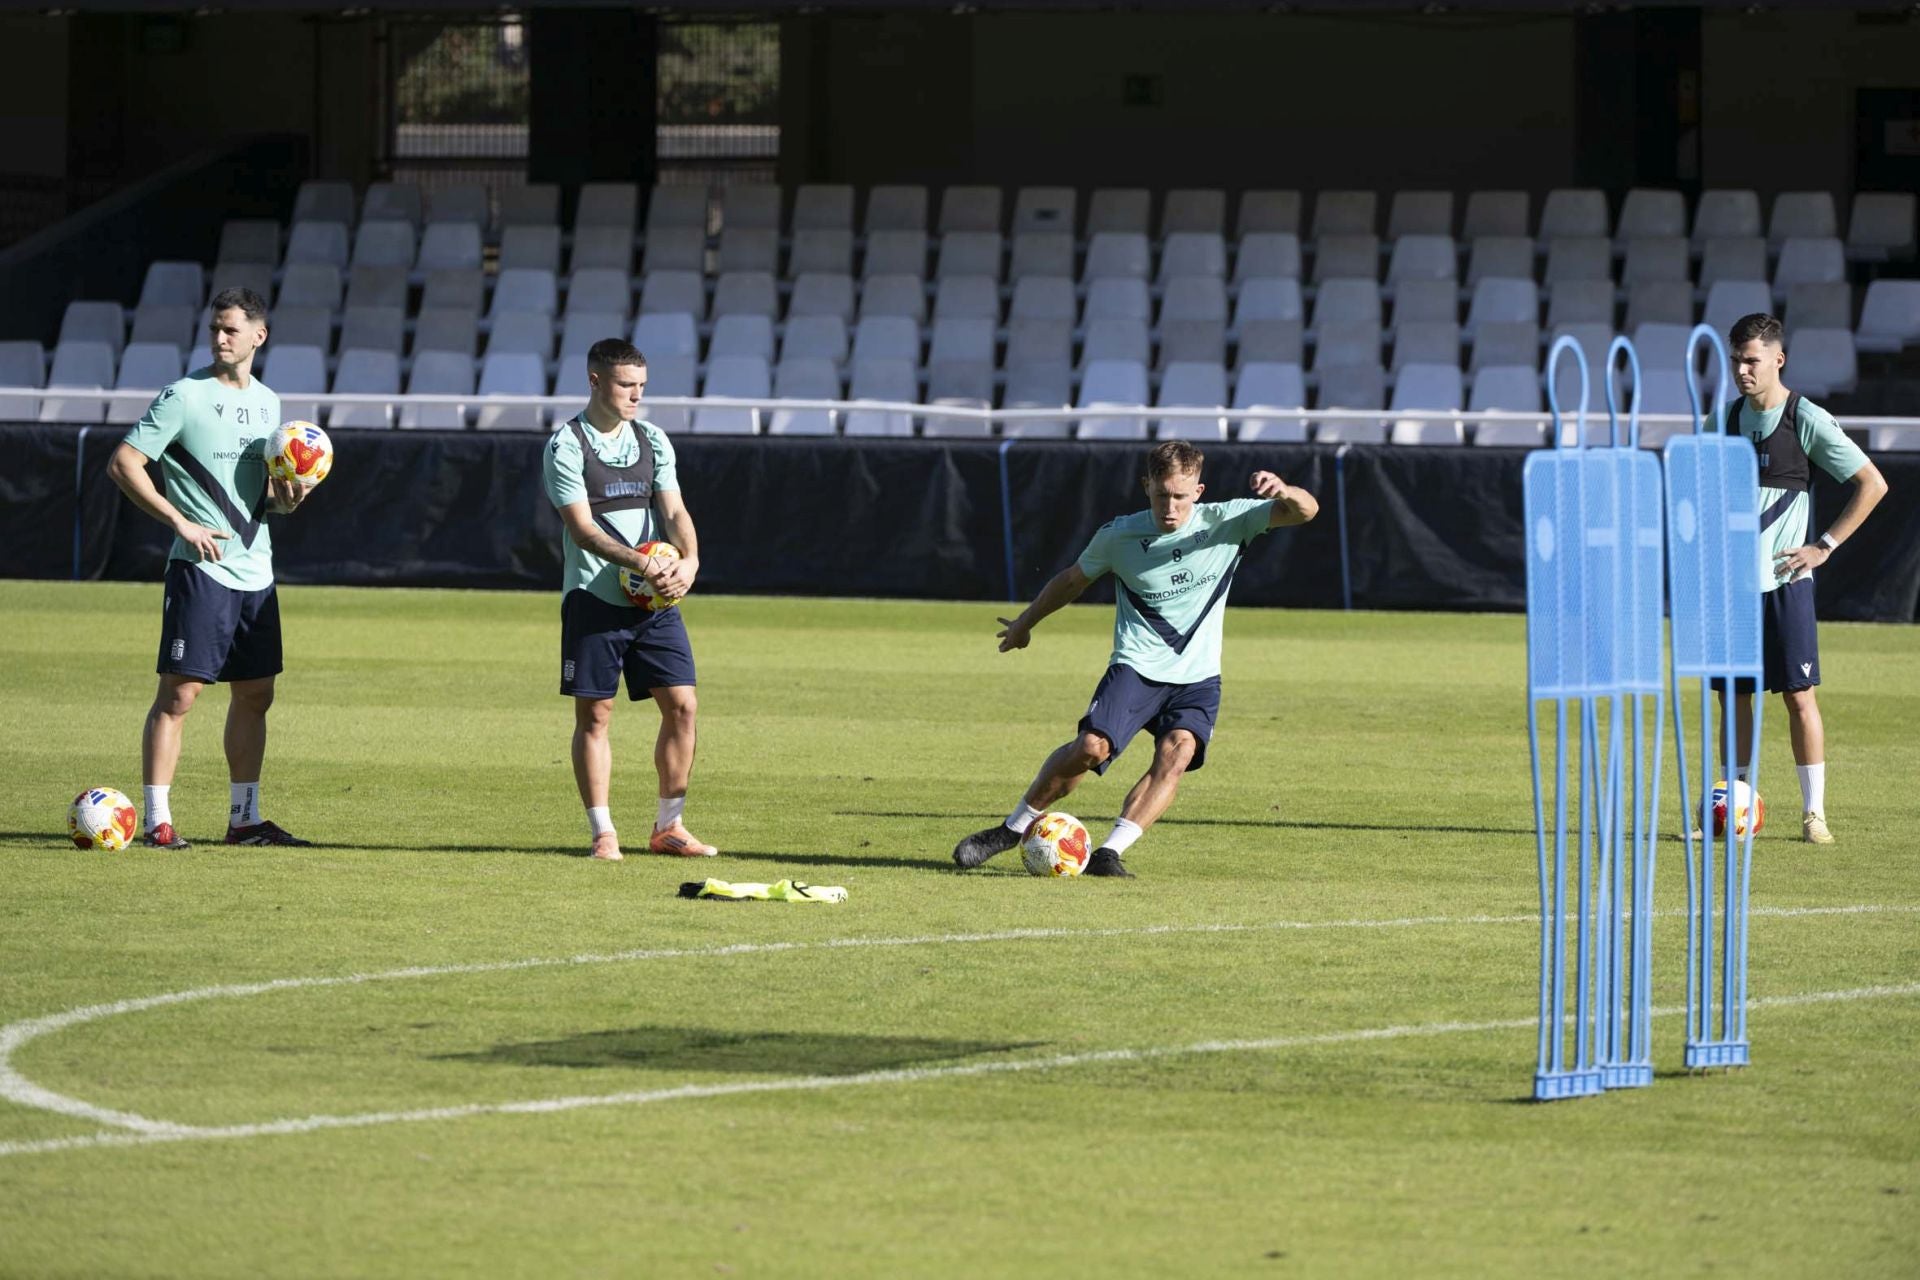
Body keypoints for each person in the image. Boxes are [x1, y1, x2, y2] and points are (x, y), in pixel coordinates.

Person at [951, 440, 1319, 877]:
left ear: (1198, 492)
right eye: (1162, 494)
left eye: (1180, 496)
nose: (1170, 506)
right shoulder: (1119, 535)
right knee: (1091, 747)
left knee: (1177, 753)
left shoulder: (1228, 520)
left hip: (1198, 675)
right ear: (1146, 486)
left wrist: (1284, 490)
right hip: (1138, 666)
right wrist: (1024, 624)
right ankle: (1012, 829)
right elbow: (1071, 581)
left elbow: (1306, 511)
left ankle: (1109, 852)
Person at [106, 286, 313, 848]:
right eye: (215, 329)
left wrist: (284, 501)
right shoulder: (183, 395)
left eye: (231, 329)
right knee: (180, 695)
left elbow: (262, 494)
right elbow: (124, 463)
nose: (220, 338)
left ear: (258, 335)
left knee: (255, 694)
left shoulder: (271, 405)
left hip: (257, 572)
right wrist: (180, 522)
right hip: (201, 569)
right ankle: (157, 821)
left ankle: (244, 819)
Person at [1718, 312, 1887, 844]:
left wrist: (1824, 547)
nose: (1742, 371)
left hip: (1786, 583)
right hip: (1733, 588)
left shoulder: (1804, 417)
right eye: (1736, 361)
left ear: (1778, 359)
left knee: (1798, 696)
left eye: (1751, 360)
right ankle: (1735, 808)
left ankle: (1814, 815)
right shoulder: (1722, 421)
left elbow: (1871, 483)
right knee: (1734, 697)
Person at [543, 338, 714, 862]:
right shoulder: (566, 445)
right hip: (593, 599)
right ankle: (603, 832)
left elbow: (676, 511)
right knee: (596, 716)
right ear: (595, 381)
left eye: (641, 386)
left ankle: (669, 827)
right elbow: (582, 529)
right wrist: (643, 564)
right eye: (625, 386)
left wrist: (689, 563)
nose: (636, 396)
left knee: (683, 706)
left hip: (653, 603)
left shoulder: (653, 439)